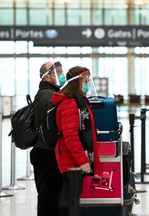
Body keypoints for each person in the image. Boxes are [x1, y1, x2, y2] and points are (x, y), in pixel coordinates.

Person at [51, 66, 100, 216]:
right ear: (77, 82)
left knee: (71, 199)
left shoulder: (78, 102)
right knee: (69, 202)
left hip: (72, 159)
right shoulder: (70, 104)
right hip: (70, 160)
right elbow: (70, 136)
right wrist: (83, 160)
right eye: (85, 81)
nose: (87, 84)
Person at [30, 61, 66, 216]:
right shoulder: (49, 95)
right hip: (47, 153)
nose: (61, 75)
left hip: (45, 152)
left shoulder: (50, 93)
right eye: (57, 72)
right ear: (47, 77)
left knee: (50, 196)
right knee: (49, 197)